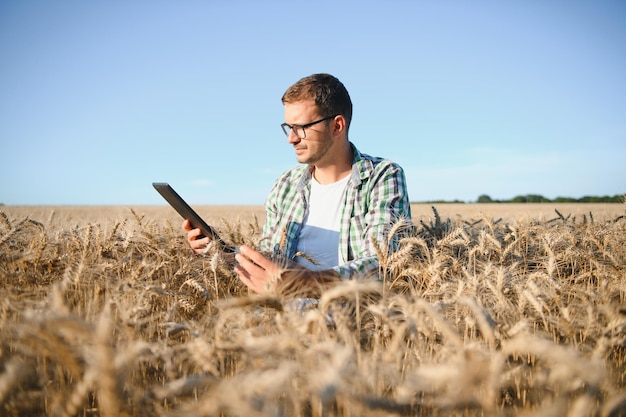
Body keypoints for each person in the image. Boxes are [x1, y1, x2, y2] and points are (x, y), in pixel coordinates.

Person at [184, 73, 411, 297]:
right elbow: (269, 260)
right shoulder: (286, 185)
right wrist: (221, 251)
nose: (291, 138)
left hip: (353, 322)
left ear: (337, 126)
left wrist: (308, 284)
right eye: (288, 127)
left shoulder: (382, 176)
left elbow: (384, 262)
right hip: (283, 323)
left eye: (301, 128)